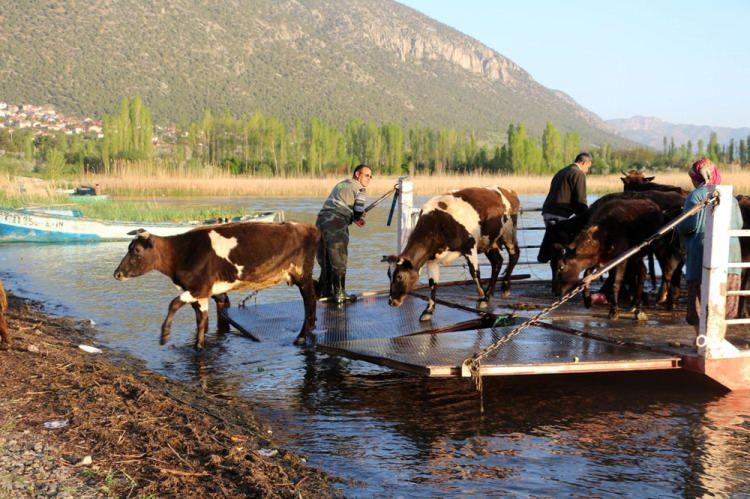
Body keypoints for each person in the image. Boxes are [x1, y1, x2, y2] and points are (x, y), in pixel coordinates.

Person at [678, 158, 742, 333]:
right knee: (724, 304)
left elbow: (688, 225)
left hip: (702, 257)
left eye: (693, 178)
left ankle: (701, 341)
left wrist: (678, 226)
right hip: (731, 259)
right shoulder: (731, 197)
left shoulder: (696, 196)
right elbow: (739, 223)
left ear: (698, 177)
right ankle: (719, 339)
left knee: (700, 304)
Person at [316, 164, 371, 303]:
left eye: (370, 177)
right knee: (339, 257)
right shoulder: (360, 188)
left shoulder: (341, 184)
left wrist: (353, 217)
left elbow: (339, 204)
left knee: (325, 258)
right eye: (366, 175)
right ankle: (340, 293)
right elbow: (358, 210)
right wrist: (358, 216)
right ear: (357, 174)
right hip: (336, 222)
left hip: (321, 220)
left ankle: (325, 291)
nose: (369, 179)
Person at [537, 152, 593, 269]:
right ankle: (564, 279)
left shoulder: (562, 171)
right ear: (583, 163)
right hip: (560, 215)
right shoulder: (578, 174)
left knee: (556, 249)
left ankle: (554, 277)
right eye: (588, 167)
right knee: (568, 249)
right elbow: (580, 200)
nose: (587, 171)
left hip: (548, 212)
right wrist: (589, 218)